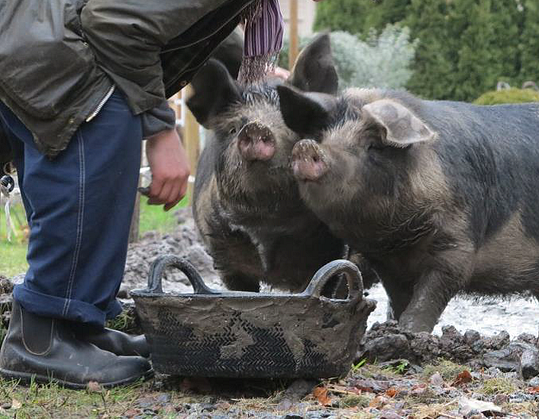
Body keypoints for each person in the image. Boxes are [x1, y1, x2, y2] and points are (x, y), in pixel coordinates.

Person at [0, 0, 322, 389]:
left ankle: (76, 329)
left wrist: (256, 72)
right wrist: (161, 130)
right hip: (56, 55)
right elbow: (115, 23)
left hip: (33, 42)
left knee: (89, 173)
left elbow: (183, 22)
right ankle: (39, 340)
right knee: (91, 159)